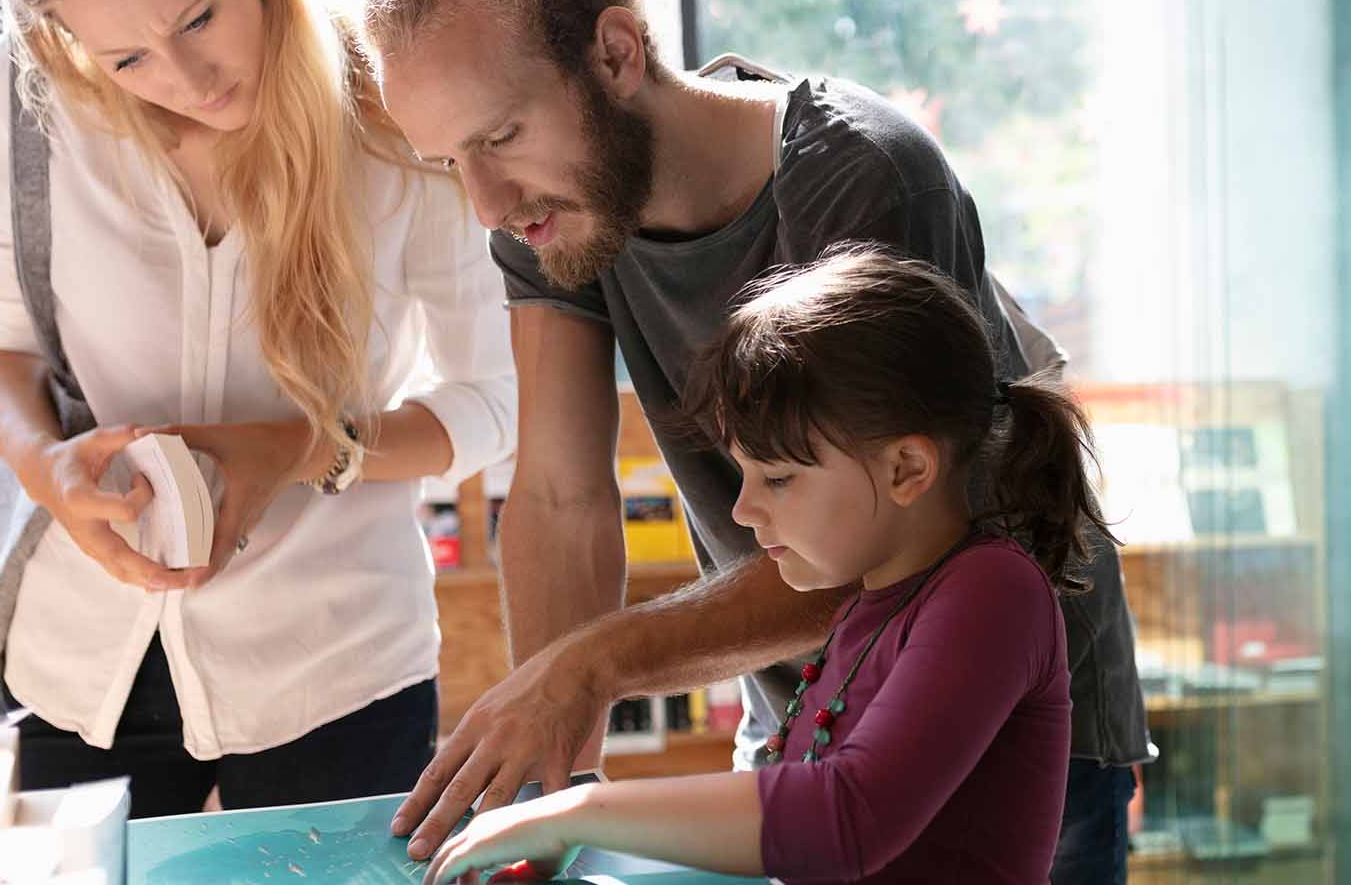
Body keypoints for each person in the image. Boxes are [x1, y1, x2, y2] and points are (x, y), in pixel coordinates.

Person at [364, 0, 1149, 880]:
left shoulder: (856, 175)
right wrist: (549, 788)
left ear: (614, 51)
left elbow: (884, 540)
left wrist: (589, 668)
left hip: (996, 734)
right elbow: (560, 498)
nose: (484, 202)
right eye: (448, 160)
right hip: (804, 724)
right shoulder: (543, 215)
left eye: (502, 135)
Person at [0, 0, 517, 816]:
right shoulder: (24, 99)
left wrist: (301, 452)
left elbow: (493, 405)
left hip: (335, 665)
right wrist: (46, 467)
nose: (183, 79)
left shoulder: (397, 103)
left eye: (197, 21)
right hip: (73, 660)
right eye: (126, 60)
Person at [426, 246, 1086, 883]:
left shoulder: (992, 593)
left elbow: (846, 818)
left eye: (776, 479)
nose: (742, 511)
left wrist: (577, 814)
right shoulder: (867, 597)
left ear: (907, 469)